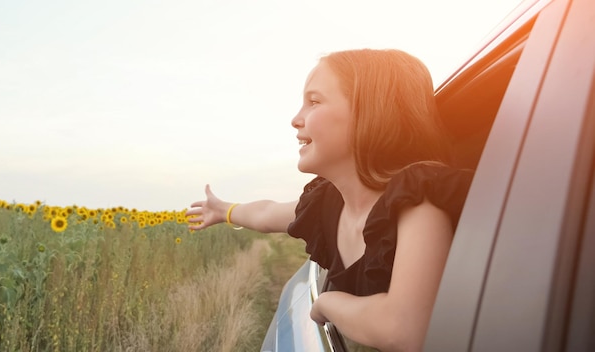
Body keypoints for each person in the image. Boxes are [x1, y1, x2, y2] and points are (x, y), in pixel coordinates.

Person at [186, 48, 473, 352]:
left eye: (314, 102)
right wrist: (225, 211)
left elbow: (402, 329)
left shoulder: (418, 199)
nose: (296, 119)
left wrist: (328, 303)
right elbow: (266, 214)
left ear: (370, 112)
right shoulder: (328, 204)